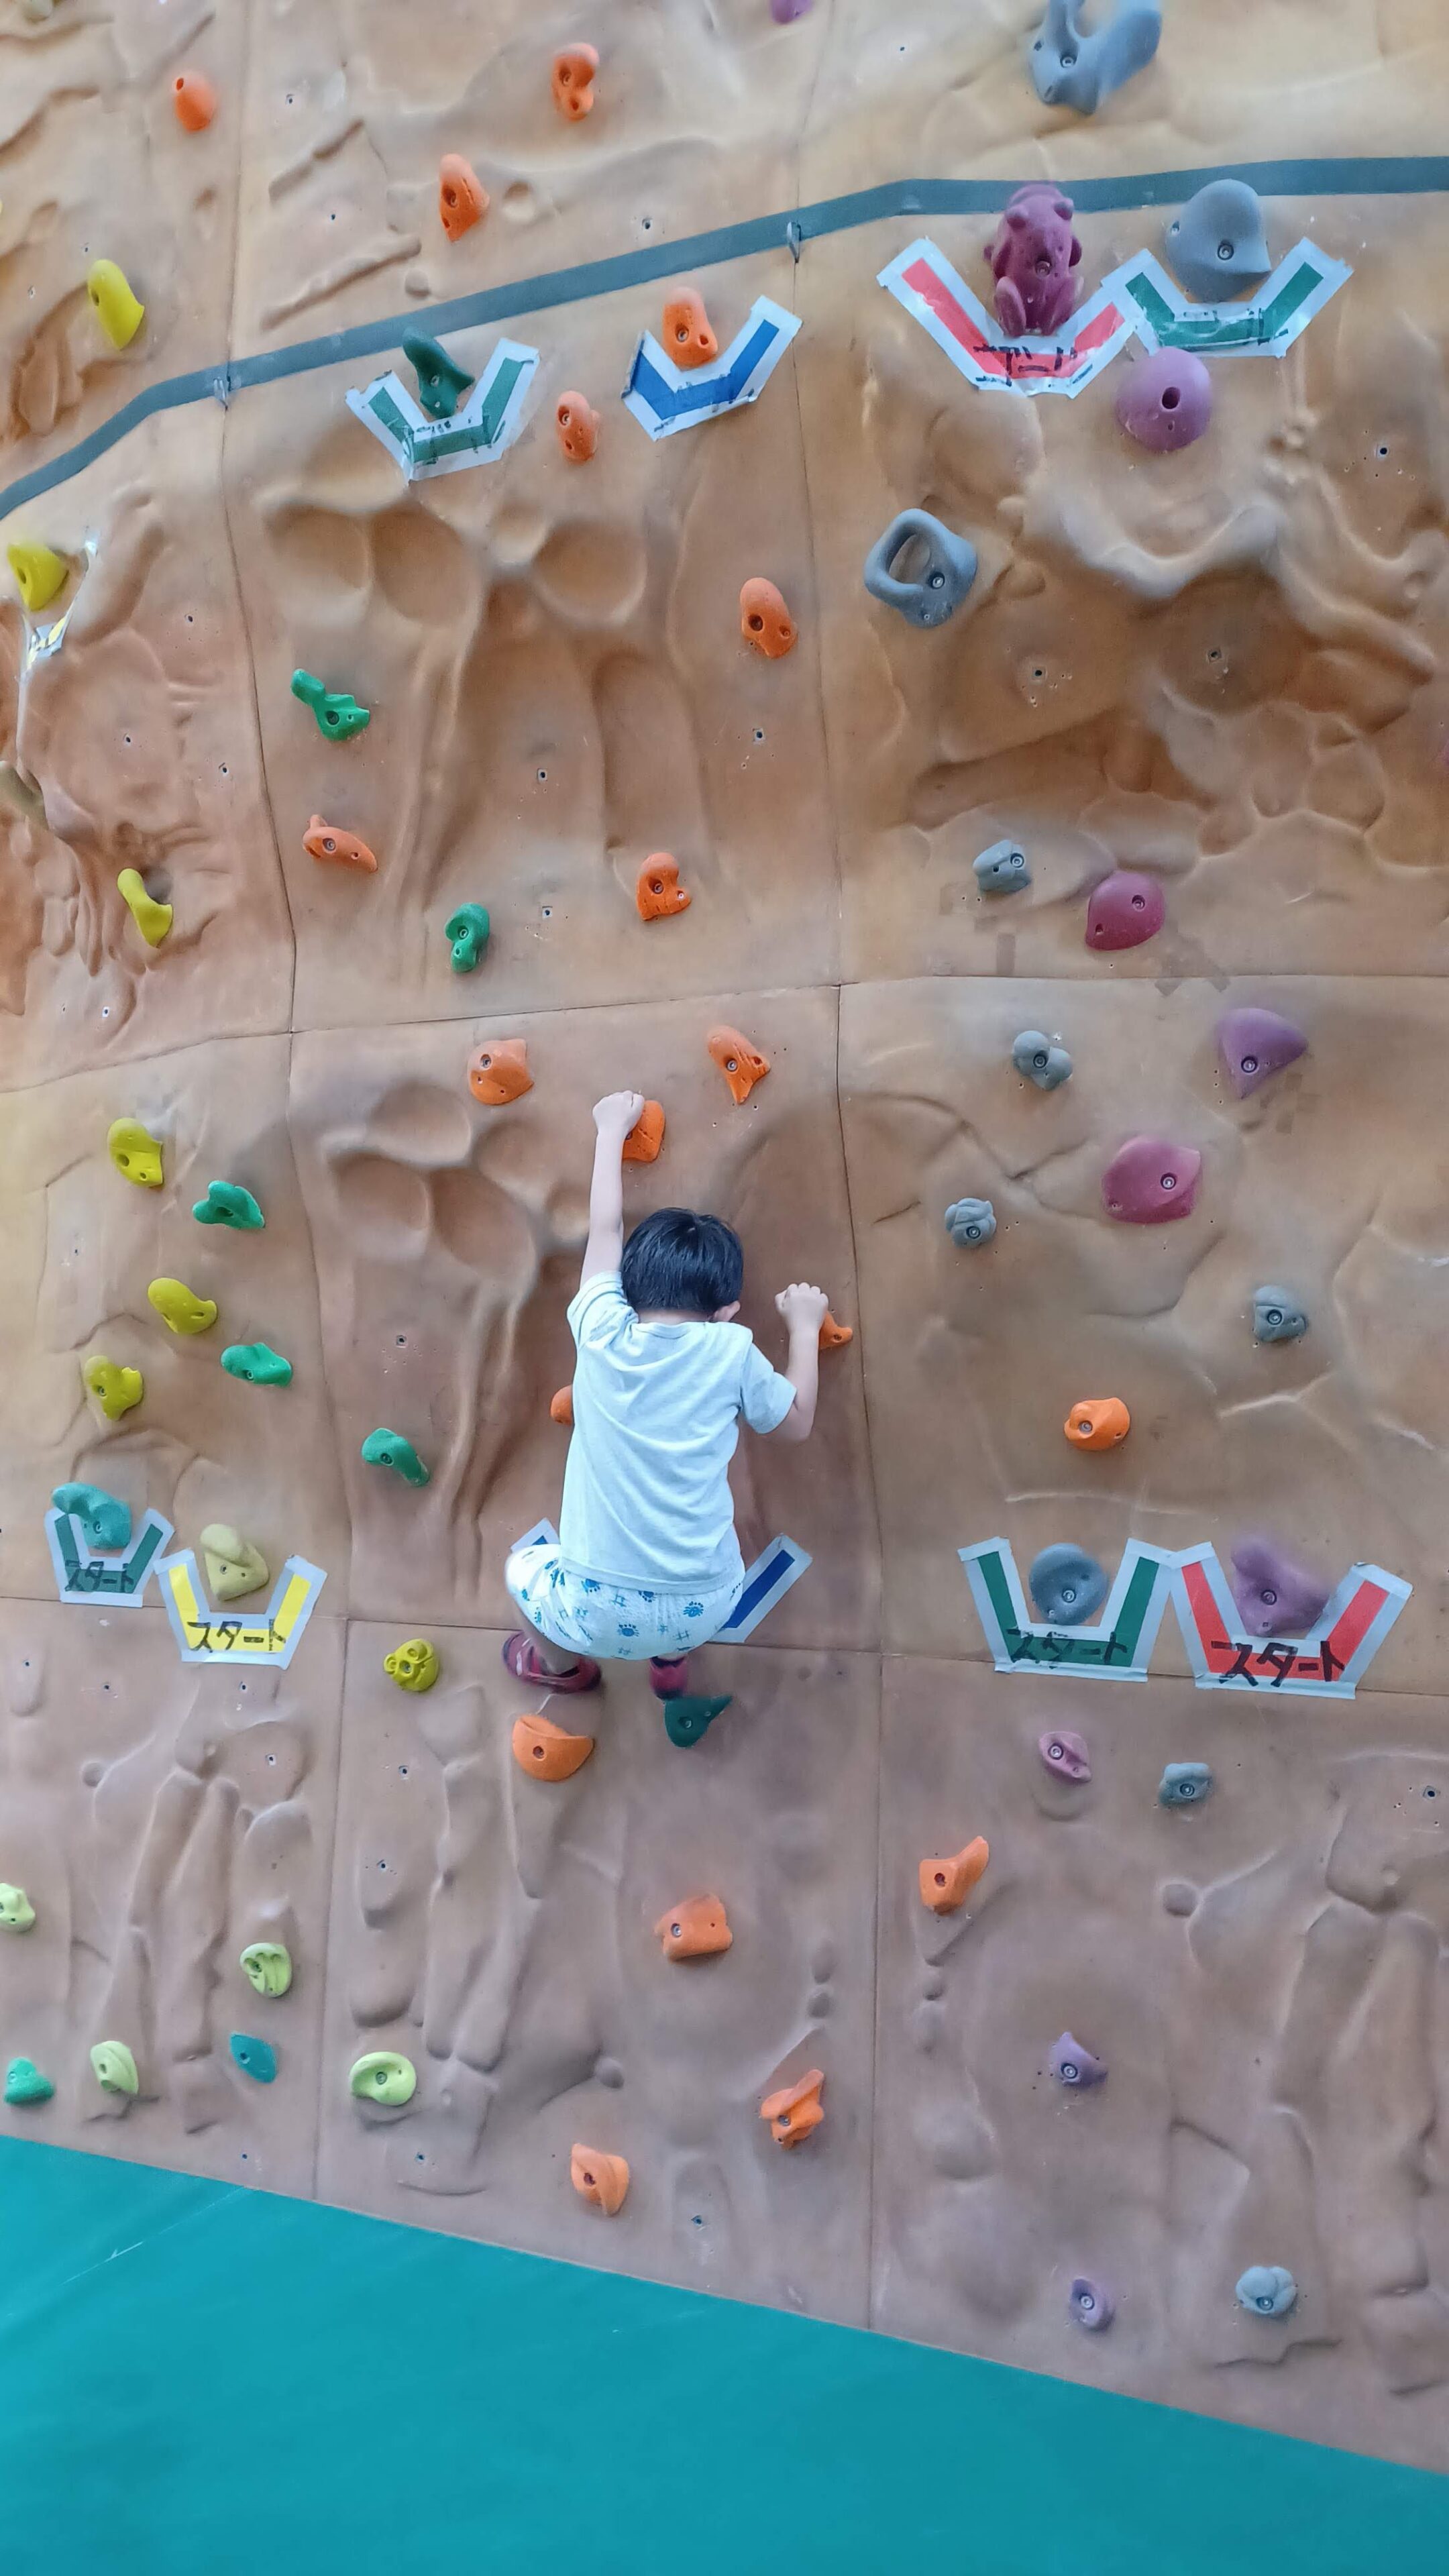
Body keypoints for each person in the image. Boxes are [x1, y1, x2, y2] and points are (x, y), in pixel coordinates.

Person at [504, 1089, 829, 1700]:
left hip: (592, 1609)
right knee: (677, 1597)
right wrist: (804, 1329)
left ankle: (563, 1668)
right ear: (726, 1310)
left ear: (625, 1288)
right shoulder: (731, 1347)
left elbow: (605, 1227)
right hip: (705, 1604)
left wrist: (609, 1132)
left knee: (520, 1572)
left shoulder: (600, 1327)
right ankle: (671, 1660)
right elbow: (797, 1422)